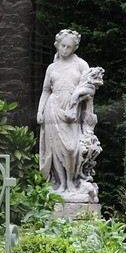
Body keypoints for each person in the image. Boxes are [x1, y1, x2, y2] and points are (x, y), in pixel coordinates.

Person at [37, 29, 104, 203]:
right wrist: (39, 111)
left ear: (75, 48)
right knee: (55, 150)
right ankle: (60, 185)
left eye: (69, 46)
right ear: (57, 45)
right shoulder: (52, 67)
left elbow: (90, 88)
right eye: (62, 46)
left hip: (72, 114)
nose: (65, 49)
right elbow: (45, 90)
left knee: (72, 148)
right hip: (52, 109)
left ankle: (72, 183)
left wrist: (75, 97)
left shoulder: (81, 65)